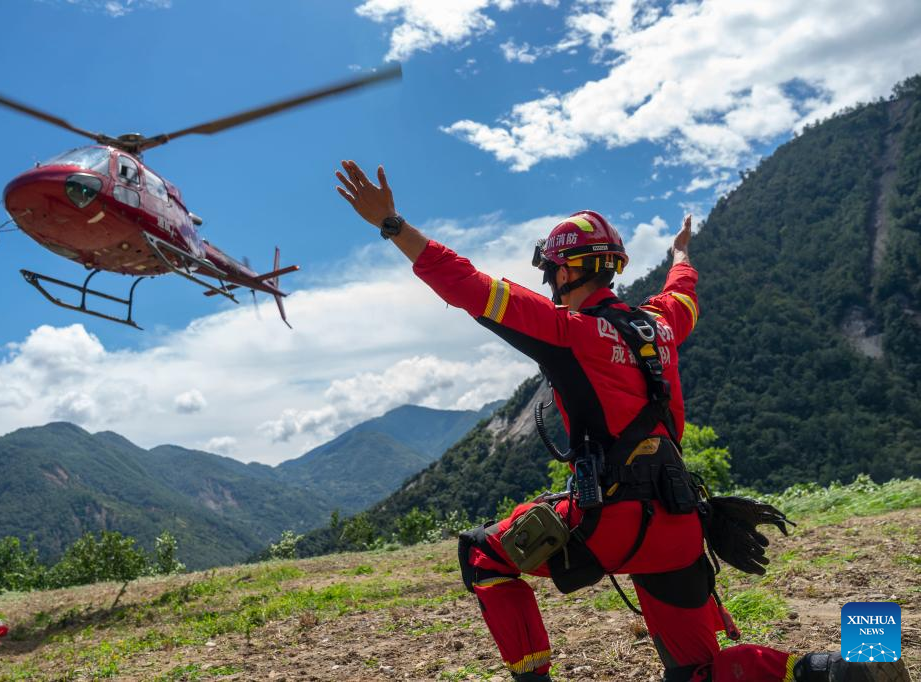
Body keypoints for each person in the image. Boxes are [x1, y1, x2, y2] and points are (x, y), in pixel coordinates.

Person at [334, 159, 908, 682]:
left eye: (549, 272)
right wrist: (682, 253)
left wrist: (391, 224)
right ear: (610, 267)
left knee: (483, 554)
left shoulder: (567, 329)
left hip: (611, 519)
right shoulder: (659, 327)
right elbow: (681, 293)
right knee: (697, 672)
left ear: (562, 270)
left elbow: (467, 284)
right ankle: (846, 669)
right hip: (681, 522)